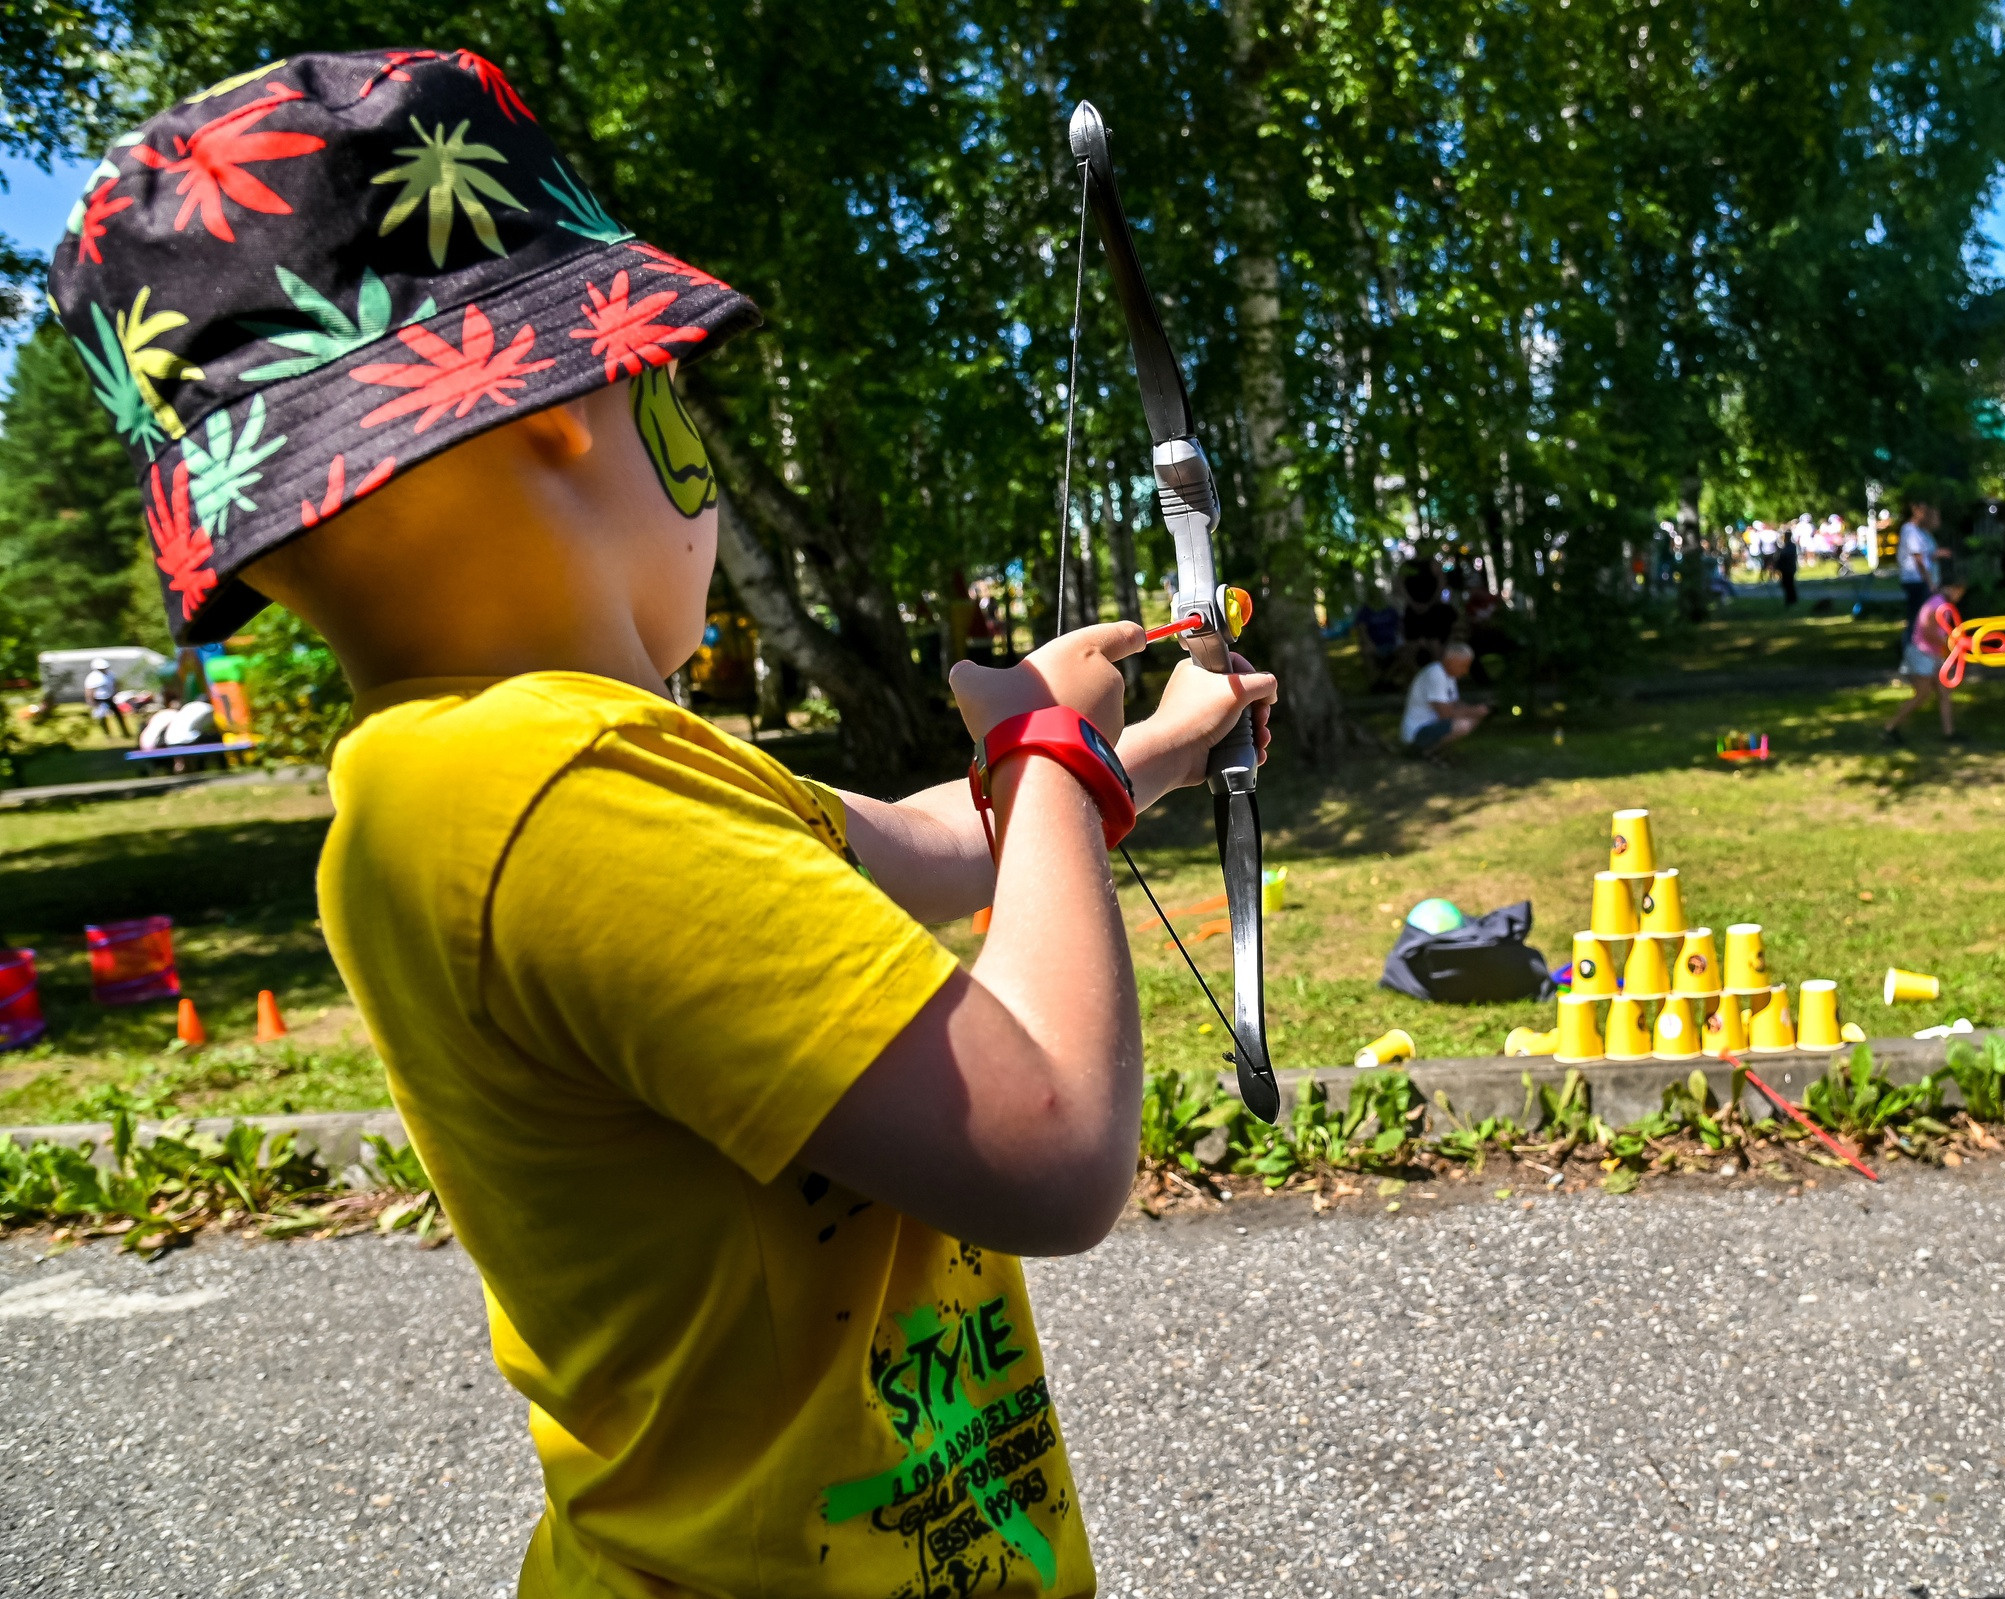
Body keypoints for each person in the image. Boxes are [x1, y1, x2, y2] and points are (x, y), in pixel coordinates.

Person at [49, 53, 1280, 1597]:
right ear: (569, 415)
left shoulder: (483, 775)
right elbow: (1050, 1146)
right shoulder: (546, 791)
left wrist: (1153, 751)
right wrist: (1043, 748)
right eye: (670, 399)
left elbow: (929, 846)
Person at [1882, 574, 1968, 744]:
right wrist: (1953, 644)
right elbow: (1929, 633)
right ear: (1953, 588)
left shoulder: (1940, 602)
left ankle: (1949, 733)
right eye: (1960, 592)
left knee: (1944, 692)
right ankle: (1889, 728)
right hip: (1922, 653)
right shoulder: (1939, 605)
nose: (1960, 596)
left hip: (1933, 653)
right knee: (1922, 694)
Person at [1402, 641, 1487, 753]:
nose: (1465, 671)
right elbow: (1445, 714)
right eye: (1463, 666)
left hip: (1433, 725)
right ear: (1450, 661)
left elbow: (1455, 702)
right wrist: (1473, 711)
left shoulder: (1450, 676)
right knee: (1463, 725)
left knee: (1470, 720)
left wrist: (1475, 710)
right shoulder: (1436, 675)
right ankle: (1421, 751)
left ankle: (1436, 750)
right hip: (1418, 730)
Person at [1896, 499, 1939, 640]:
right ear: (1914, 509)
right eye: (1922, 510)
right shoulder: (1910, 530)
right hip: (1916, 579)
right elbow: (1919, 560)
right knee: (1916, 619)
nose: (1925, 513)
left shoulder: (1917, 530)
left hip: (1919, 579)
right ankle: (1911, 650)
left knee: (1918, 617)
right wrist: (1930, 582)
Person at [83, 657, 131, 741]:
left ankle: (125, 732)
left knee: (118, 715)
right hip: (99, 699)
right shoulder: (92, 677)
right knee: (101, 717)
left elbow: (116, 683)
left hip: (110, 698)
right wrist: (91, 701)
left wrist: (116, 692)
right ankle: (107, 734)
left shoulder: (110, 674)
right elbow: (89, 690)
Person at [1772, 528, 1800, 607]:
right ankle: (1789, 600)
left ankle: (1791, 600)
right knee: (1786, 585)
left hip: (1789, 568)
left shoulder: (1791, 546)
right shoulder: (1786, 546)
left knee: (1789, 585)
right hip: (1785, 569)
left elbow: (1785, 556)